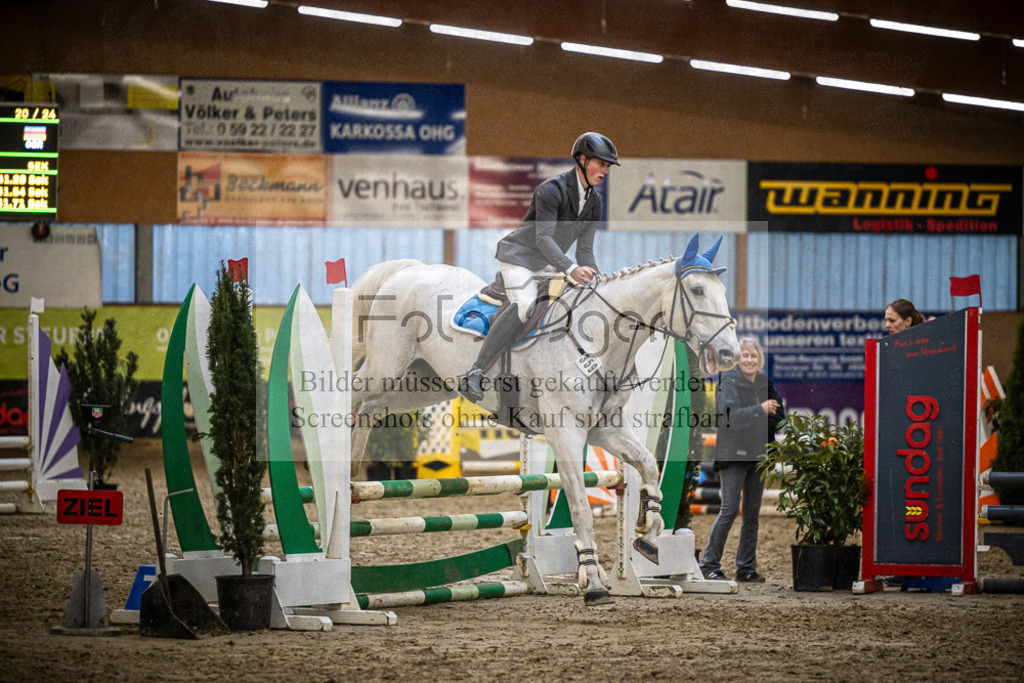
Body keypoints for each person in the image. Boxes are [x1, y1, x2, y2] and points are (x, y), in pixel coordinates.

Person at [462, 132, 619, 403]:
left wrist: (598, 281)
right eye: (601, 164)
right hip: (520, 259)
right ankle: (475, 372)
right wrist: (571, 269)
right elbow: (543, 238)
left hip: (549, 264)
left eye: (608, 166)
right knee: (525, 305)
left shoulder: (594, 202)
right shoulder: (551, 190)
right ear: (582, 160)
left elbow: (584, 250)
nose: (605, 171)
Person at [699, 336, 785, 582]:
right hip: (733, 456)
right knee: (728, 511)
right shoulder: (728, 383)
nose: (749, 360)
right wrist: (760, 410)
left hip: (759, 456)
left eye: (753, 355)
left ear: (760, 360)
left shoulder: (766, 384)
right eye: (745, 355)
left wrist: (753, 417)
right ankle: (709, 564)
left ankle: (746, 568)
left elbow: (779, 418)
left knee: (752, 515)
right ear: (737, 359)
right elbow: (730, 419)